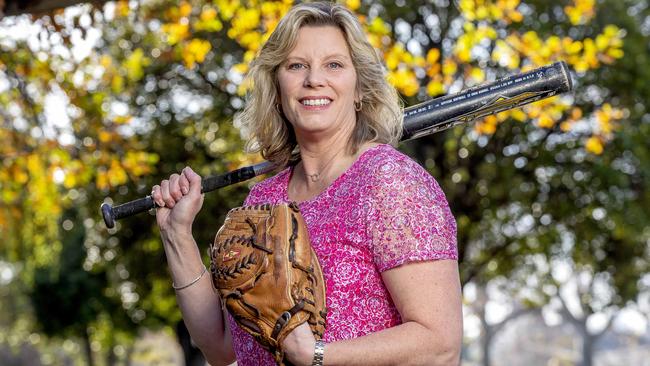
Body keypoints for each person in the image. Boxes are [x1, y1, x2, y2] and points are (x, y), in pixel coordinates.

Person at [150, 2, 462, 365]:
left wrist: (314, 355)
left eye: (334, 64)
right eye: (296, 65)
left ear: (360, 88)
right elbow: (222, 346)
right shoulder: (262, 200)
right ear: (278, 89)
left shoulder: (389, 182)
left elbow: (439, 344)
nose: (314, 79)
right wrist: (177, 235)